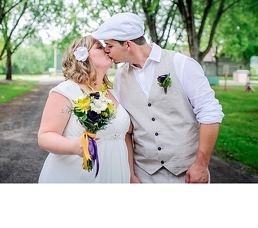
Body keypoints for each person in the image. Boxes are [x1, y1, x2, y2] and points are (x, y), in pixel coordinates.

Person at [92, 12, 224, 183]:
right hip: (144, 174)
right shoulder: (120, 78)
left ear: (128, 44)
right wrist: (131, 174)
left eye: (109, 45)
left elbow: (210, 113)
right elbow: (126, 129)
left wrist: (200, 164)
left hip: (187, 173)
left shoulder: (181, 64)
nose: (106, 50)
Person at [38, 35, 137, 183]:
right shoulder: (66, 90)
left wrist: (130, 174)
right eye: (99, 46)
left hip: (116, 174)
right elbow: (45, 136)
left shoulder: (114, 92)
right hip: (76, 176)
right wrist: (75, 146)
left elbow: (123, 137)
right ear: (82, 56)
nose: (106, 49)